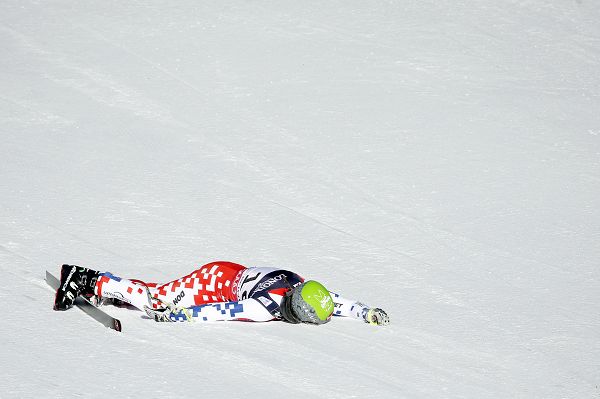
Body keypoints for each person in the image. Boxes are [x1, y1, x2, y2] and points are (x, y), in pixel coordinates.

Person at [53, 262, 390, 326]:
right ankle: (86, 279)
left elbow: (334, 303)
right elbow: (219, 312)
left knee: (161, 293)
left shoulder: (302, 286)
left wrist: (366, 312)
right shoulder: (264, 306)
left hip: (231, 272)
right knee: (158, 300)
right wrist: (178, 315)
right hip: (214, 281)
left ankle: (115, 293)